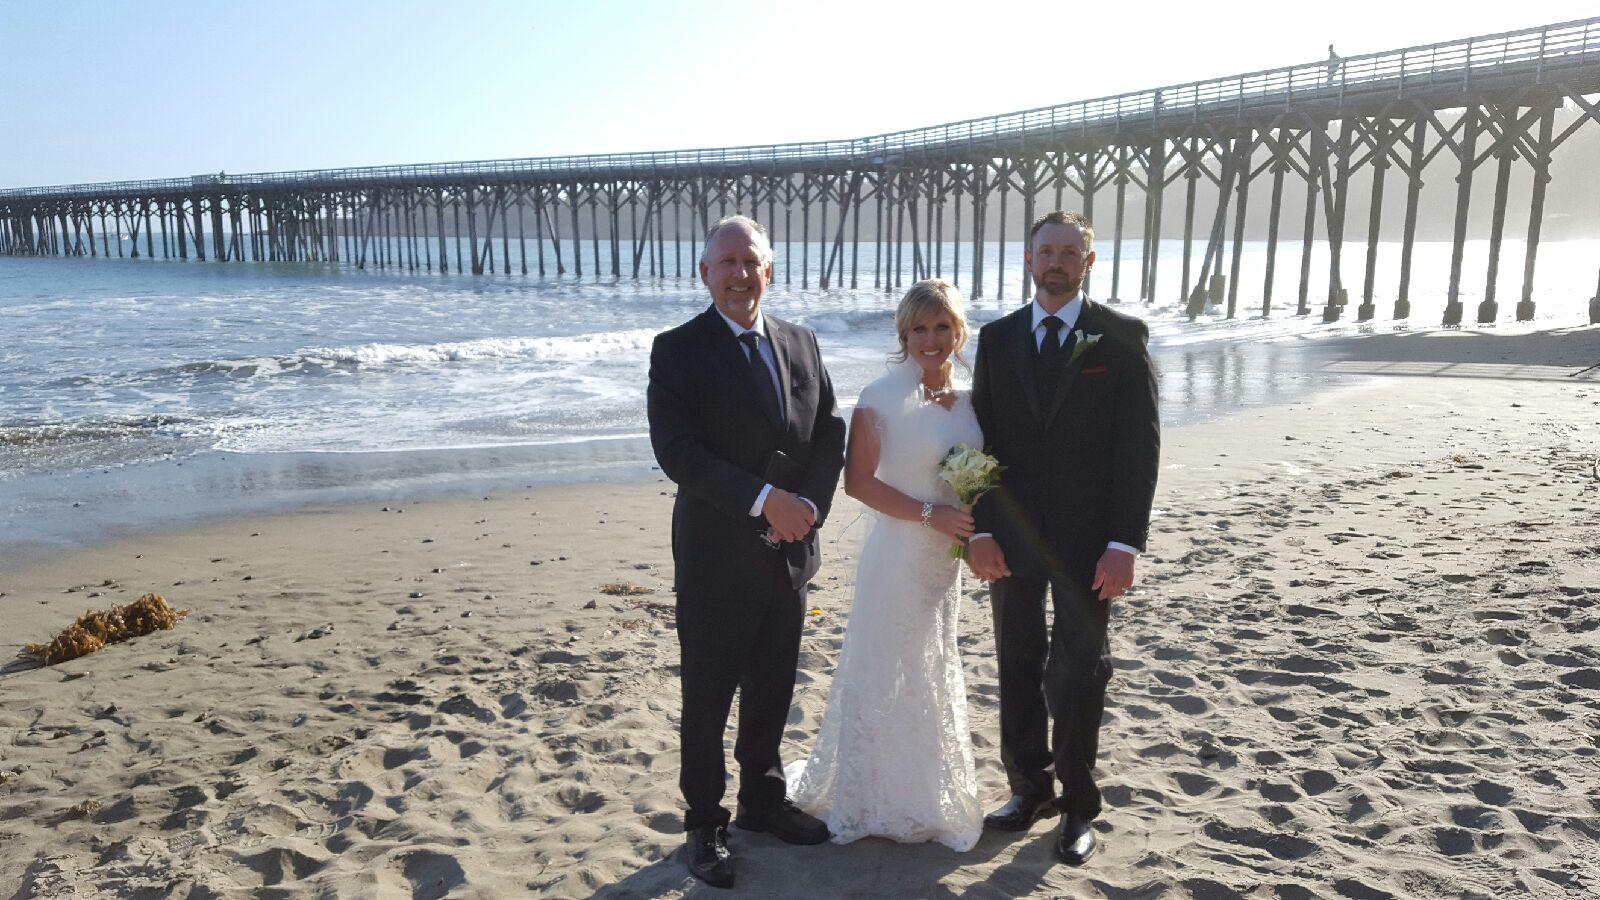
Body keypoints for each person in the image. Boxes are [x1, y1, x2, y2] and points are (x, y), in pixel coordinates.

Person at [647, 215, 847, 889]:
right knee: (707, 698)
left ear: (771, 269)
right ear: (705, 274)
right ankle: (706, 822)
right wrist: (766, 500)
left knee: (773, 687)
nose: (739, 274)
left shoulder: (802, 342)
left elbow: (830, 432)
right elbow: (678, 454)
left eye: (750, 261)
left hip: (789, 554)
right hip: (714, 558)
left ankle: (762, 802)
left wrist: (809, 508)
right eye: (726, 262)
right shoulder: (677, 350)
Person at [966, 211, 1160, 866]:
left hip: (1089, 545)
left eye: (1069, 252)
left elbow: (1140, 449)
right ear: (1028, 261)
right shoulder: (996, 340)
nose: (1056, 261)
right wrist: (981, 530)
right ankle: (1028, 789)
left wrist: (1124, 544)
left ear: (1089, 262)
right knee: (1016, 665)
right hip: (1013, 541)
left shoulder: (1121, 337)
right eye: (1045, 251)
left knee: (1079, 673)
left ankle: (1078, 805)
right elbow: (979, 443)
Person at [787, 279, 985, 851]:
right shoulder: (879, 396)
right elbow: (858, 483)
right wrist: (933, 515)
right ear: (903, 335)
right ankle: (873, 794)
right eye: (918, 328)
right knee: (887, 667)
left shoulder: (972, 401)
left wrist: (969, 529)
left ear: (958, 332)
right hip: (899, 552)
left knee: (929, 667)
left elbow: (975, 476)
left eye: (941, 327)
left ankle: (922, 789)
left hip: (942, 561)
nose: (930, 339)